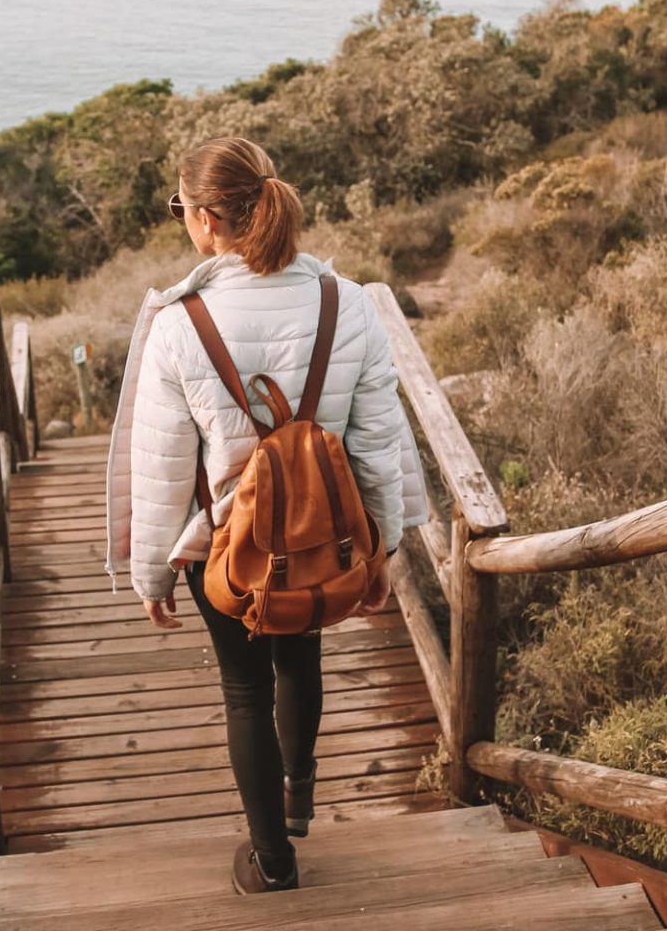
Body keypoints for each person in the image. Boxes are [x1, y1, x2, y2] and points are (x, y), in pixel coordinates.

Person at [105, 136, 426, 894]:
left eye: (181, 208)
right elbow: (379, 440)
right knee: (300, 656)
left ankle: (273, 861)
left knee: (244, 691)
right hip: (320, 537)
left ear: (208, 220)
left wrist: (153, 569)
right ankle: (300, 795)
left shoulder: (181, 324)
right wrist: (381, 547)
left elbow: (162, 468)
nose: (183, 220)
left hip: (225, 550)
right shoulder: (344, 304)